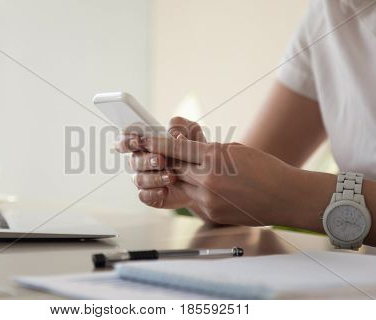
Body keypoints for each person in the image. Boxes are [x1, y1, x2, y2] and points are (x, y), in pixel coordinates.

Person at [115, 0, 376, 247]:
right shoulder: (328, 14)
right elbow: (242, 198)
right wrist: (197, 182)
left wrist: (290, 196)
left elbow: (272, 192)